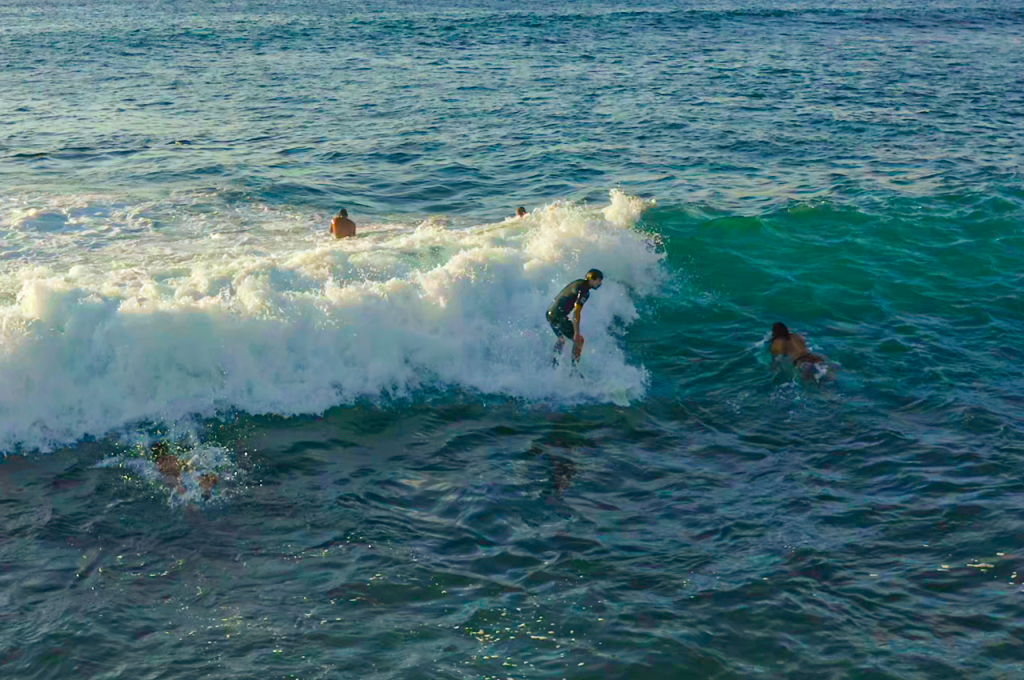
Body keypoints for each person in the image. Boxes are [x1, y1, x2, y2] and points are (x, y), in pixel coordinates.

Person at [547, 269, 603, 366]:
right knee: (579, 341)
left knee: (562, 338)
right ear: (592, 279)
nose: (600, 283)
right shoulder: (584, 291)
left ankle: (554, 363)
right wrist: (577, 333)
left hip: (550, 313)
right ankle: (574, 369)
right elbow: (577, 312)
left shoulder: (579, 283)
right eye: (599, 280)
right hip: (559, 315)